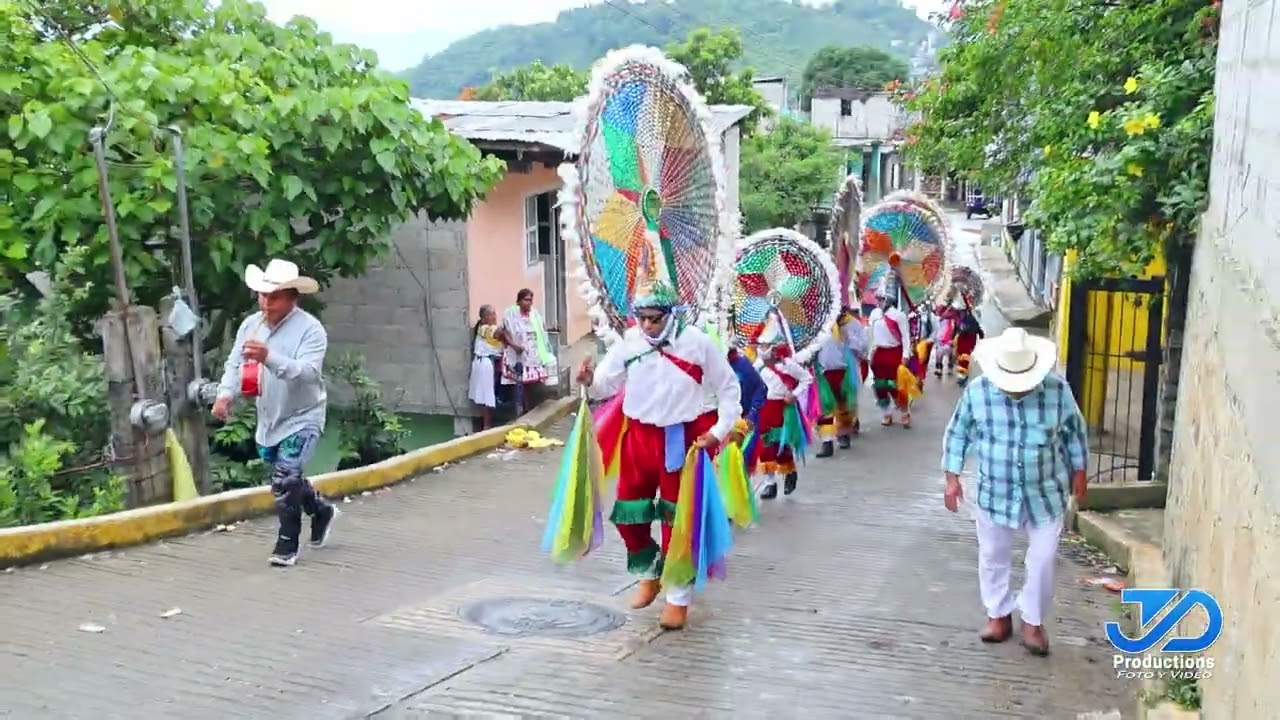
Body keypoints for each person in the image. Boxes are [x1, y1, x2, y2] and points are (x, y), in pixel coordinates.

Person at [576, 277, 741, 631]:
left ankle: (677, 598)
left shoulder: (697, 343)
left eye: (655, 317)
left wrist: (718, 431)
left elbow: (729, 389)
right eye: (642, 317)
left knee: (676, 521)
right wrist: (590, 380)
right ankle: (649, 569)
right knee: (627, 514)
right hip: (638, 437)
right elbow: (607, 383)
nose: (648, 325)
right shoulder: (630, 342)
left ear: (672, 313)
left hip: (681, 441)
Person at [940, 327, 1089, 657]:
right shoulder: (978, 392)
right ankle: (998, 615)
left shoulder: (1057, 390)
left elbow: (1074, 432)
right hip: (996, 490)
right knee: (993, 555)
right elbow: (958, 433)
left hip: (1046, 491)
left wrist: (1080, 471)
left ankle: (1033, 621)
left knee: (1044, 557)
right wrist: (952, 478)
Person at [213, 259, 336, 567]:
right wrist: (225, 395)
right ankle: (320, 509)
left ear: (293, 297)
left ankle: (287, 543)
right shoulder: (250, 325)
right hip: (269, 418)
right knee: (288, 476)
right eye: (262, 295)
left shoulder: (310, 330)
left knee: (283, 479)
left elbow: (307, 374)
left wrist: (270, 357)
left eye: (275, 296)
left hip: (303, 416)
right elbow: (234, 364)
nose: (266, 302)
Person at [751, 313, 813, 499]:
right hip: (763, 409)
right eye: (760, 345)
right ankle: (770, 483)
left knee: (781, 445)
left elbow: (807, 379)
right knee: (765, 446)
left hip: (781, 409)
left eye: (765, 345)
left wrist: (793, 395)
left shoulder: (788, 365)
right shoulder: (758, 365)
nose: (761, 349)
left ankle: (789, 472)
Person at [814, 307, 864, 457]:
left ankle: (844, 434)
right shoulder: (816, 327)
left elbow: (862, 346)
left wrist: (848, 337)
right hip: (823, 372)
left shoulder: (851, 324)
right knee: (825, 408)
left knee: (843, 404)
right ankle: (827, 442)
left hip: (844, 371)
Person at [866, 279, 914, 428]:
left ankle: (905, 413)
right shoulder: (874, 314)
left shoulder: (898, 315)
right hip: (879, 354)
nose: (879, 301)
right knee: (880, 386)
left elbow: (906, 337)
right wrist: (870, 355)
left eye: (882, 299)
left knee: (896, 386)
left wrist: (906, 355)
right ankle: (886, 413)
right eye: (878, 299)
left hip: (895, 353)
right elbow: (871, 335)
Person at [501, 288, 555, 414]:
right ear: (519, 301)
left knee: (530, 385)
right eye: (526, 300)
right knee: (518, 384)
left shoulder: (535, 316)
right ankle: (519, 412)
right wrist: (514, 345)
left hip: (532, 356)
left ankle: (529, 410)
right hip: (517, 355)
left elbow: (541, 334)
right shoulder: (511, 315)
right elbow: (504, 331)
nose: (529, 303)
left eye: (530, 300)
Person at [468, 304, 506, 429]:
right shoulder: (486, 329)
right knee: (486, 395)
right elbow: (499, 333)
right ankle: (487, 425)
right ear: (483, 318)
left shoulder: (483, 328)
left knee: (484, 394)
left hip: (483, 363)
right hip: (484, 364)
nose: (494, 317)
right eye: (491, 314)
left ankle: (486, 424)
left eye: (494, 314)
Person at [952, 297, 986, 386]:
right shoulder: (959, 319)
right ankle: (962, 373)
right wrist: (953, 337)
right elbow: (956, 329)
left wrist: (980, 334)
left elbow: (976, 327)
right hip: (961, 340)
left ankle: (962, 375)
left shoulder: (970, 319)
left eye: (960, 311)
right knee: (960, 357)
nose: (959, 313)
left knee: (964, 357)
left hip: (968, 339)